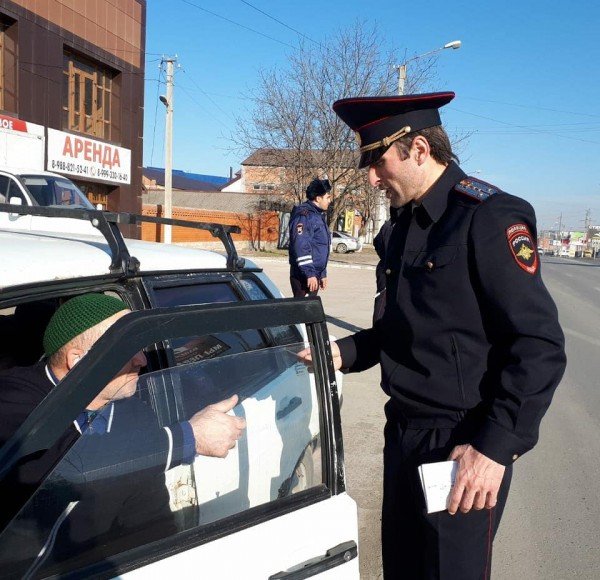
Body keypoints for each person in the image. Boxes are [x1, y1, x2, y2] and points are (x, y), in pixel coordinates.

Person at [306, 91, 566, 579]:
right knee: (402, 569)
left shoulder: (487, 217)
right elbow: (400, 332)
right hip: (404, 434)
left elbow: (539, 346)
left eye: (378, 162)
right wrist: (337, 352)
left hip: (462, 446)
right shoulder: (401, 228)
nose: (372, 177)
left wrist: (494, 448)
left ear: (419, 150)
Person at [0, 293, 246, 574]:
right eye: (126, 348)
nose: (142, 359)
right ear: (78, 360)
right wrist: (187, 438)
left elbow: (150, 524)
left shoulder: (134, 416)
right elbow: (66, 466)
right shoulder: (12, 398)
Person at [288, 178, 332, 297]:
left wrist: (322, 274)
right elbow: (301, 246)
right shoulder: (304, 216)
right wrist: (310, 274)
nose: (330, 200)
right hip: (303, 276)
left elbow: (319, 248)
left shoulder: (317, 216)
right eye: (327, 197)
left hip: (314, 274)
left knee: (309, 312)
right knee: (302, 313)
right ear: (318, 198)